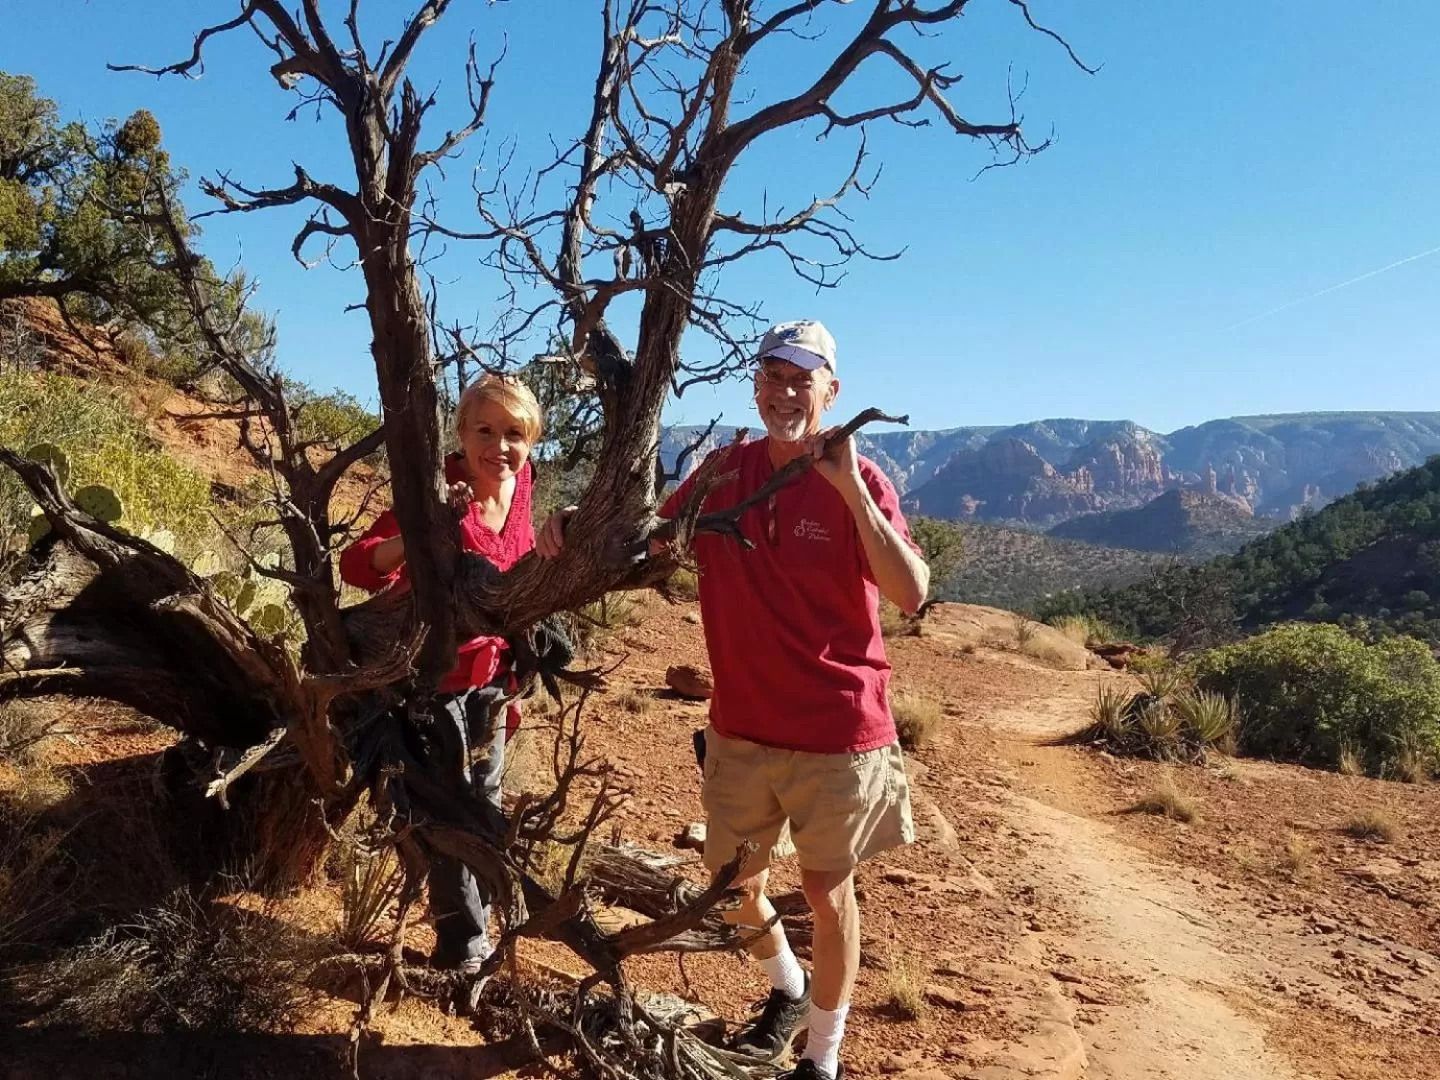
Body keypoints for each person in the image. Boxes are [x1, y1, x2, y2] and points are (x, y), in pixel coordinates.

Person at [538, 320, 928, 1080]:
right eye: (772, 376)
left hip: (839, 730)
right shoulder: (725, 470)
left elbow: (912, 593)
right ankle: (788, 989)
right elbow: (654, 536)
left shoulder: (864, 479)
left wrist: (848, 486)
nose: (784, 391)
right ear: (755, 385)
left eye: (801, 378)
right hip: (743, 726)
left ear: (831, 391)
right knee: (732, 885)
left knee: (824, 887)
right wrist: (575, 526)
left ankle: (822, 1056)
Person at [340, 373, 542, 974]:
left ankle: (481, 931)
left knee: (485, 803)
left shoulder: (522, 484)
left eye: (514, 433)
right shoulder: (439, 486)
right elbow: (358, 566)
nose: (498, 447)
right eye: (484, 430)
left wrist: (512, 685)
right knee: (451, 811)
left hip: (492, 680)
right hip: (433, 683)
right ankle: (462, 948)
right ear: (460, 432)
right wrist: (421, 532)